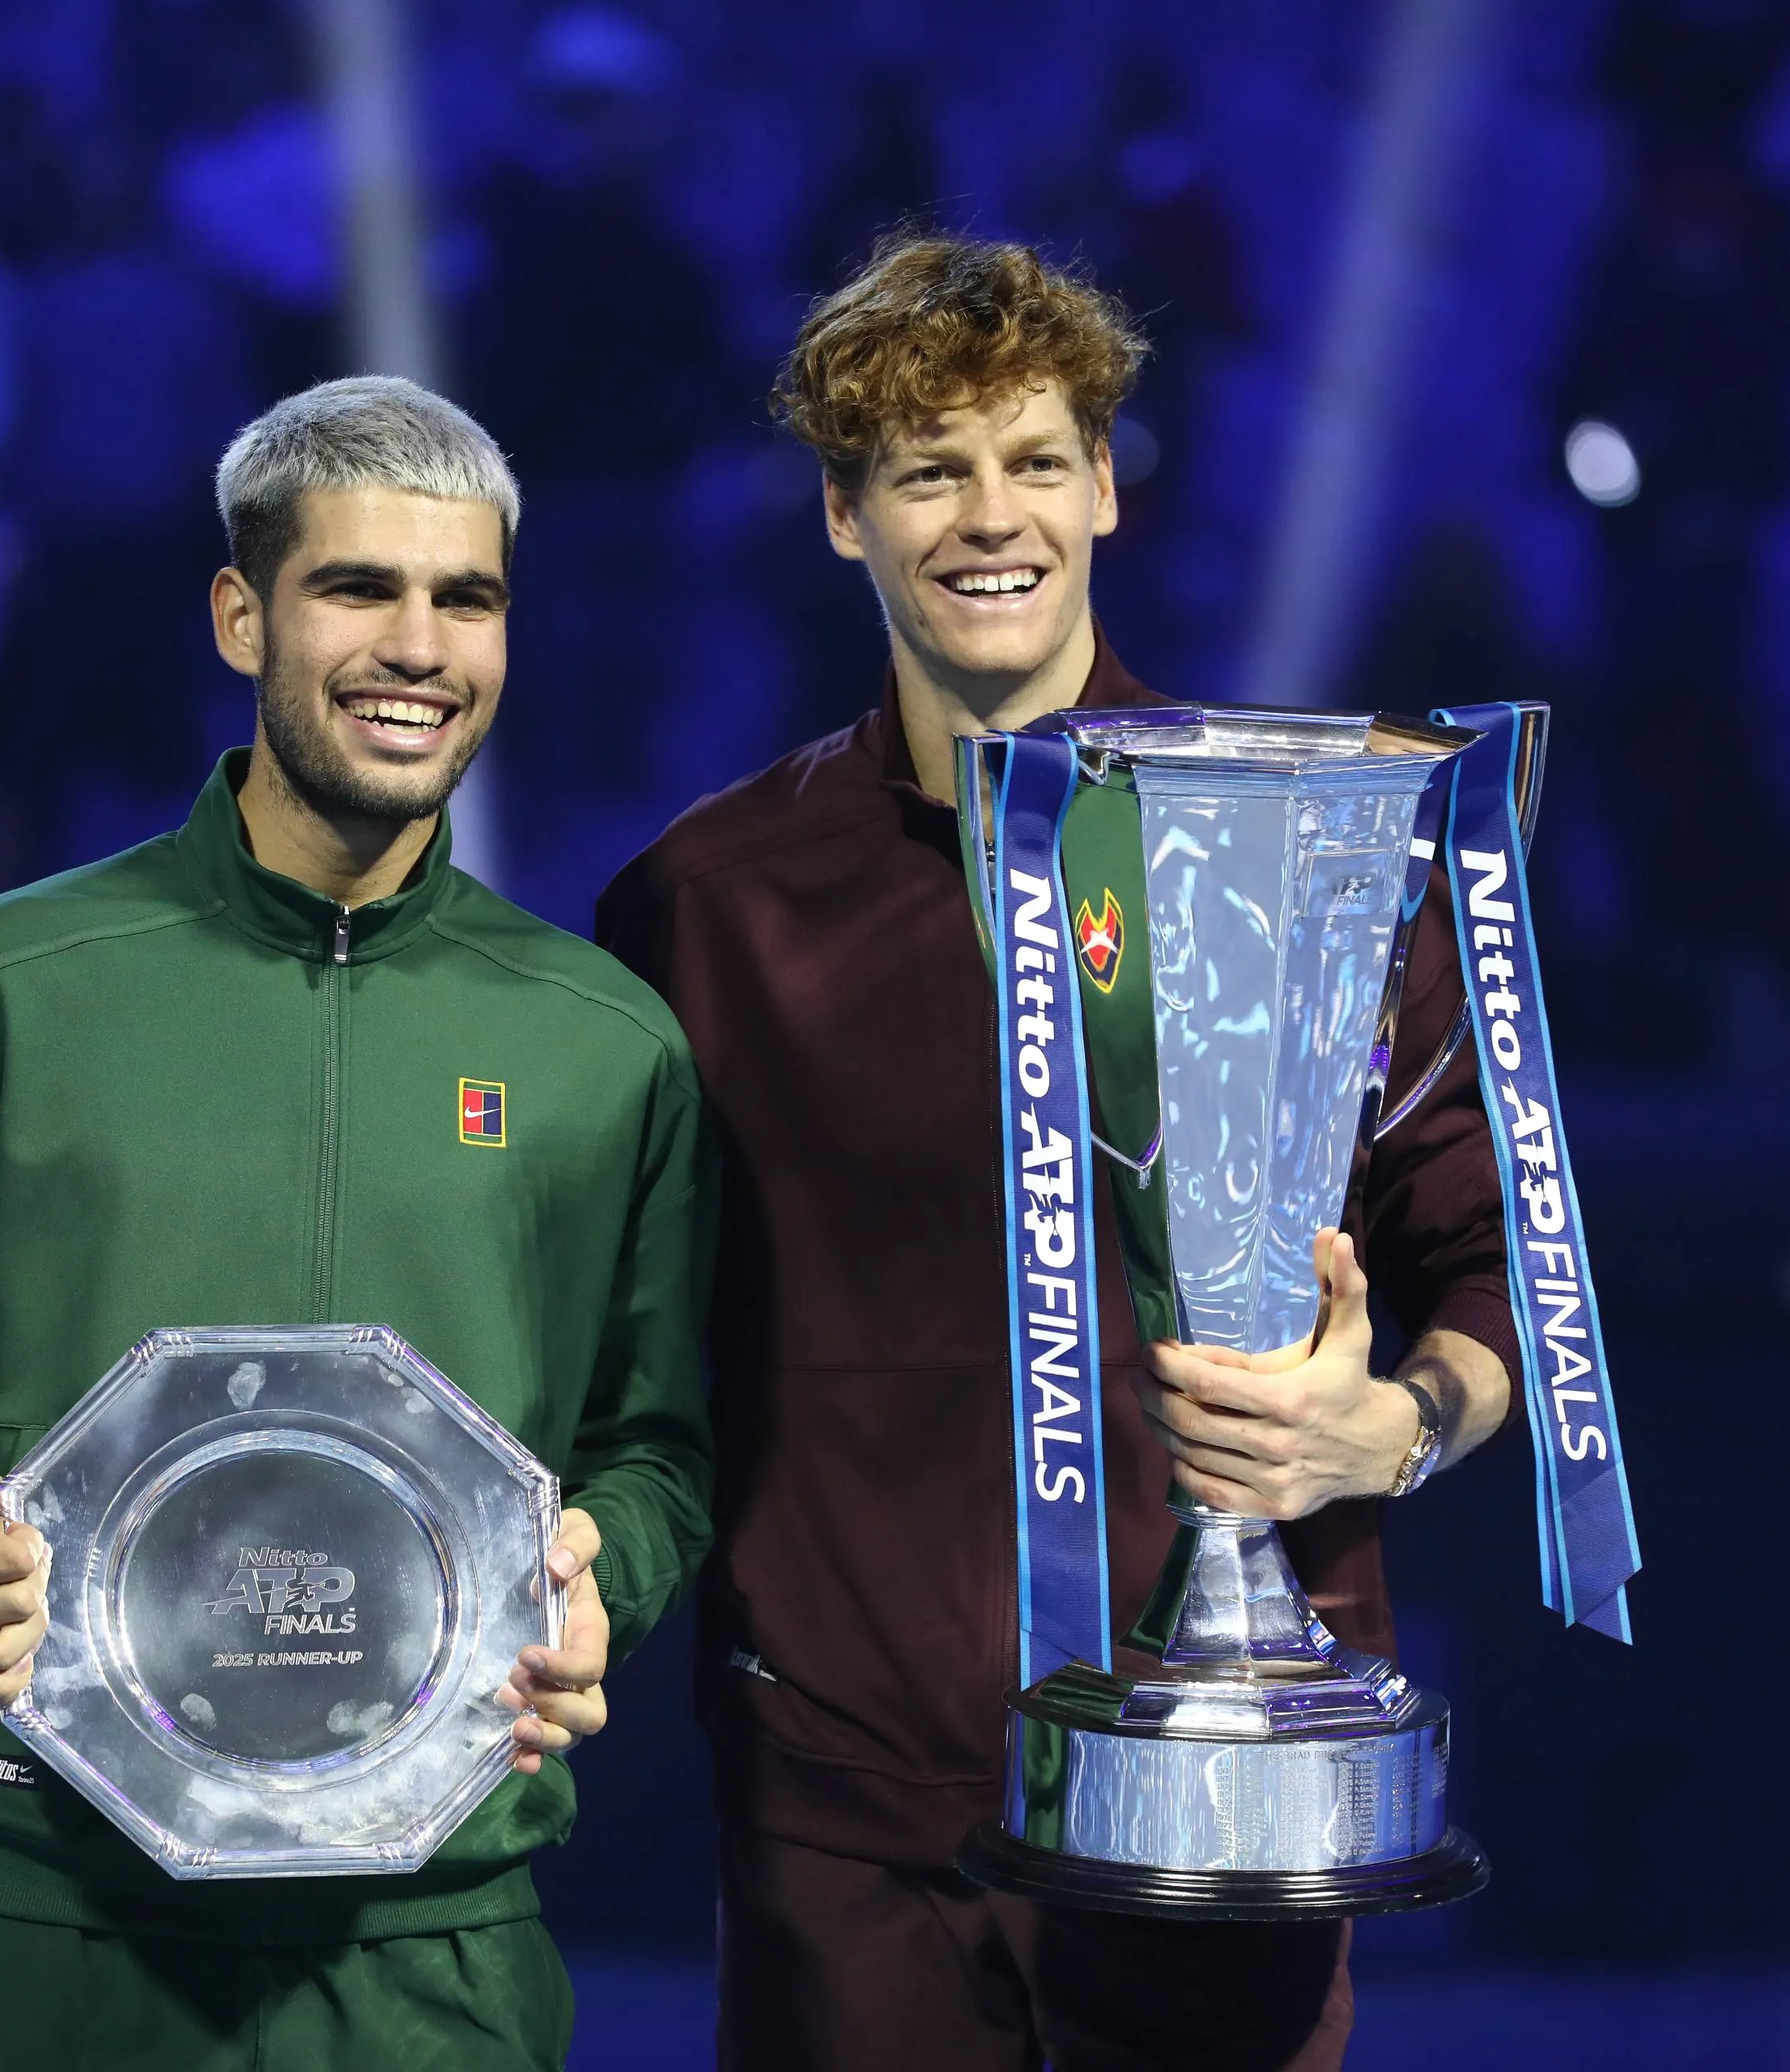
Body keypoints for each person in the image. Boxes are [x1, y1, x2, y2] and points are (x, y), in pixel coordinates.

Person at [0, 376, 714, 2072]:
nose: (419, 647)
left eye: (466, 599)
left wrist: (603, 1573)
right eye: (358, 589)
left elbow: (656, 1446)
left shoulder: (602, 1043)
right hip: (49, 1933)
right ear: (243, 615)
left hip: (436, 1957)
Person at [595, 236, 1517, 2070]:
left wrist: (1395, 1427)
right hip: (852, 1811)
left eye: (1032, 459)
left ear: (1104, 485)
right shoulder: (705, 906)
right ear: (844, 516)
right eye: (927, 471)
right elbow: (620, 1343)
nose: (989, 517)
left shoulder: (1311, 854)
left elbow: (1496, 1262)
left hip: (1221, 1797)